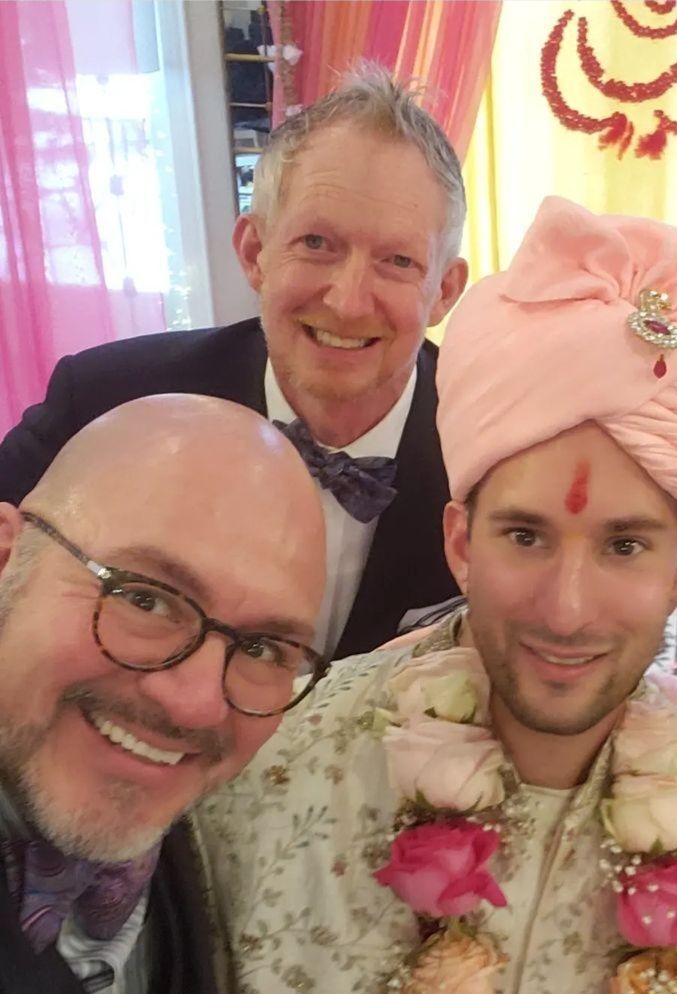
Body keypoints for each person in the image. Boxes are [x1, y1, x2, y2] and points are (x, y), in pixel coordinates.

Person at [194, 195, 677, 994]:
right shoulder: (281, 761)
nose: (567, 611)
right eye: (524, 536)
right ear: (459, 541)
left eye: (624, 545)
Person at [0, 63, 469, 659]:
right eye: (317, 244)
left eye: (398, 261)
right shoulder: (104, 401)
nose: (348, 302)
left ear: (445, 291)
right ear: (254, 252)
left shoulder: (495, 453)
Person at [0, 393, 329, 994]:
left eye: (266, 647)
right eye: (144, 597)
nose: (198, 706)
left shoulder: (203, 858)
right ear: (9, 558)